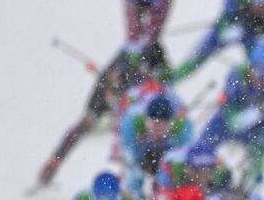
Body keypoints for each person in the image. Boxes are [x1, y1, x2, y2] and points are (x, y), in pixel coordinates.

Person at [36, 42, 168, 190]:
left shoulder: (149, 56)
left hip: (133, 87)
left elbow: (163, 77)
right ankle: (54, 162)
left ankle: (147, 177)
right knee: (87, 124)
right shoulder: (106, 90)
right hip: (115, 87)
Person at [194, 38, 264, 190]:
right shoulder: (236, 76)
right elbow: (233, 122)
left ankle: (252, 195)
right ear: (250, 67)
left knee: (258, 163)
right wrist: (259, 111)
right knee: (201, 150)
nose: (263, 79)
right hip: (223, 124)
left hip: (256, 131)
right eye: (259, 72)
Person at [170, 0, 264, 81]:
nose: (260, 5)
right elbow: (225, 22)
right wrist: (231, 29)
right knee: (198, 55)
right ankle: (171, 81)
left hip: (254, 36)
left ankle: (254, 94)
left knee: (262, 62)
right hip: (234, 26)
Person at [119, 90, 192, 198]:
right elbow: (130, 158)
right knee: (134, 177)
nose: (158, 126)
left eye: (164, 122)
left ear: (172, 123)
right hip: (141, 152)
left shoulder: (183, 128)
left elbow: (183, 159)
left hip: (168, 152)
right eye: (154, 121)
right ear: (145, 120)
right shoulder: (131, 124)